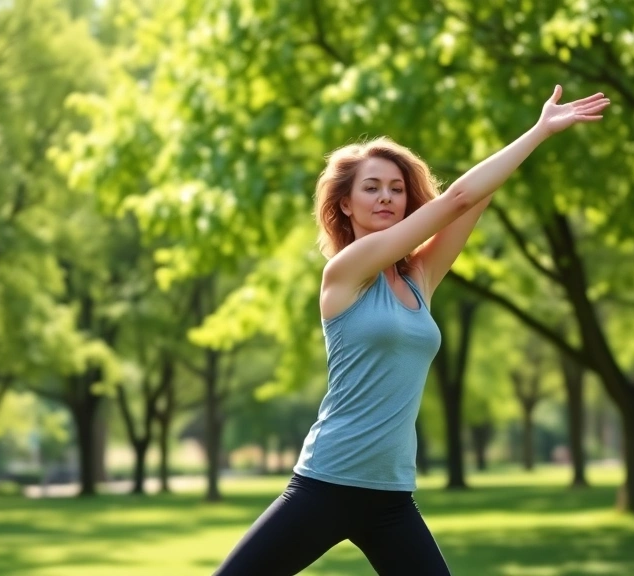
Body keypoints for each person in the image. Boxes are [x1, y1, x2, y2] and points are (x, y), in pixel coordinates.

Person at [215, 85, 609, 576]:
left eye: (397, 189)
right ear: (344, 205)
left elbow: (474, 200)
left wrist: (526, 145)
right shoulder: (345, 270)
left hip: (390, 495)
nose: (387, 197)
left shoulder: (417, 278)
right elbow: (458, 197)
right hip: (328, 481)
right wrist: (539, 130)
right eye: (372, 187)